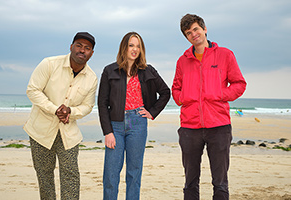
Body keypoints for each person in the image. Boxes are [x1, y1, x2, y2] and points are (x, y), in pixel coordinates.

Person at [172, 14, 247, 200]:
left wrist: (220, 95)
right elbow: (175, 89)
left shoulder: (225, 55)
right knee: (190, 181)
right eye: (188, 33)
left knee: (220, 182)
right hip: (190, 128)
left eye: (196, 29)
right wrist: (184, 98)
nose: (193, 34)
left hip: (219, 126)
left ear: (204, 29)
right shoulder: (182, 61)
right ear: (186, 37)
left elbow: (239, 84)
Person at [23, 32, 98, 200]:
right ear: (71, 47)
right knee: (45, 176)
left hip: (68, 133)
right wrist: (54, 109)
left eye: (87, 48)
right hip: (40, 131)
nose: (82, 50)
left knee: (71, 176)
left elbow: (88, 106)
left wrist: (70, 112)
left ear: (91, 54)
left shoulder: (92, 78)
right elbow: (33, 90)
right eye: (79, 45)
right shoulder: (49, 64)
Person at [98, 31, 170, 200]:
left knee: (134, 173)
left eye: (138, 46)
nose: (135, 49)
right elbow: (102, 103)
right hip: (115, 125)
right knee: (111, 174)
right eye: (131, 45)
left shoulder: (148, 70)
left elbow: (165, 92)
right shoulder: (110, 70)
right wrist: (107, 132)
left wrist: (152, 112)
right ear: (124, 47)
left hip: (138, 124)